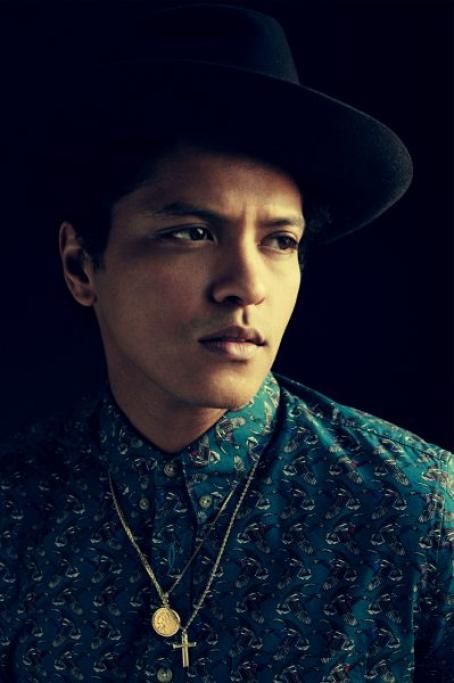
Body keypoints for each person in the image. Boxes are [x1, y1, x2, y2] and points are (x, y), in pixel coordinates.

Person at [0, 4, 452, 682]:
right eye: (191, 233)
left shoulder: (417, 508)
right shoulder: (14, 513)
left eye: (280, 240)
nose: (246, 285)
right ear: (80, 265)